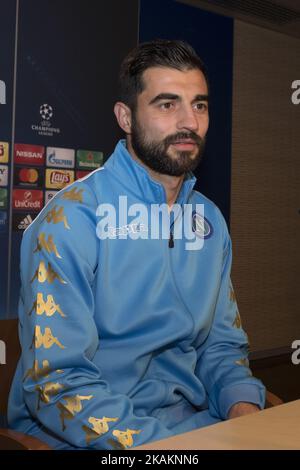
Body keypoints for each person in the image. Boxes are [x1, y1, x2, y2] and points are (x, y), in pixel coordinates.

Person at [8, 39, 265, 450]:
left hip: (195, 425)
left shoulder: (209, 222)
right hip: (83, 437)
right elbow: (56, 384)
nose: (189, 122)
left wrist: (245, 414)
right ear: (125, 118)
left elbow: (222, 348)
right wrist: (171, 451)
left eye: (199, 105)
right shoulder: (71, 219)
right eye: (167, 105)